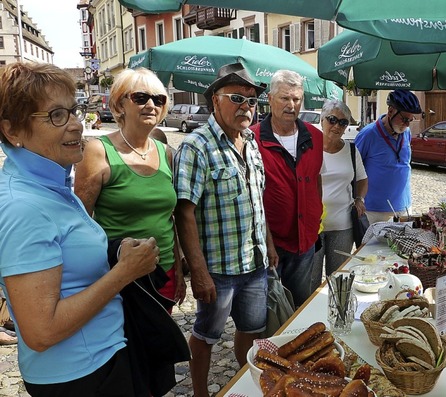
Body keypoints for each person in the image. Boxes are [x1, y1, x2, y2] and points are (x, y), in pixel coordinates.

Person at [0, 62, 160, 396]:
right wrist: (124, 272)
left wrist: (114, 250)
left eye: (74, 111)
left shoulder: (49, 180)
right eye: (57, 116)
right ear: (13, 131)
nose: (76, 125)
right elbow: (41, 331)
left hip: (99, 357)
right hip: (79, 375)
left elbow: (66, 255)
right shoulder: (25, 207)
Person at [173, 62, 270, 397]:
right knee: (205, 334)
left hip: (255, 264)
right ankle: (201, 393)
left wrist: (268, 245)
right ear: (215, 100)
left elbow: (259, 200)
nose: (246, 107)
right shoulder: (196, 146)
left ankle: (246, 382)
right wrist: (197, 271)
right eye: (237, 98)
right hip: (219, 268)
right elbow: (183, 213)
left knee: (252, 330)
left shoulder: (251, 143)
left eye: (252, 101)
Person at [74, 68, 186, 307]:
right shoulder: (98, 150)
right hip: (120, 276)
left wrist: (178, 267)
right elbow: (81, 221)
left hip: (164, 270)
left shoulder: (165, 152)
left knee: (161, 342)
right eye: (140, 97)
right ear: (119, 104)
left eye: (158, 99)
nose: (151, 105)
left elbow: (170, 218)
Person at [250, 69, 324, 307]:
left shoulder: (315, 136)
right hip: (267, 242)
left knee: (298, 305)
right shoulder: (252, 139)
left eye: (296, 99)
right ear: (270, 99)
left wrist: (316, 216)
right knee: (267, 310)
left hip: (304, 240)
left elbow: (315, 180)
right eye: (284, 98)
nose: (291, 105)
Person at [310, 100, 368, 290]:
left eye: (343, 122)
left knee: (338, 282)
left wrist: (359, 198)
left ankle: (337, 315)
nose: (337, 126)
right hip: (313, 228)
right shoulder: (309, 148)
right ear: (322, 120)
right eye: (332, 119)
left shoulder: (351, 150)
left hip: (343, 225)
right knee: (311, 281)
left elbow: (362, 179)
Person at [354, 89, 422, 224]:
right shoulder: (368, 134)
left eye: (410, 120)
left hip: (403, 207)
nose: (407, 124)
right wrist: (357, 199)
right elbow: (354, 169)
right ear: (391, 111)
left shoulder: (406, 132)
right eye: (404, 119)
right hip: (374, 211)